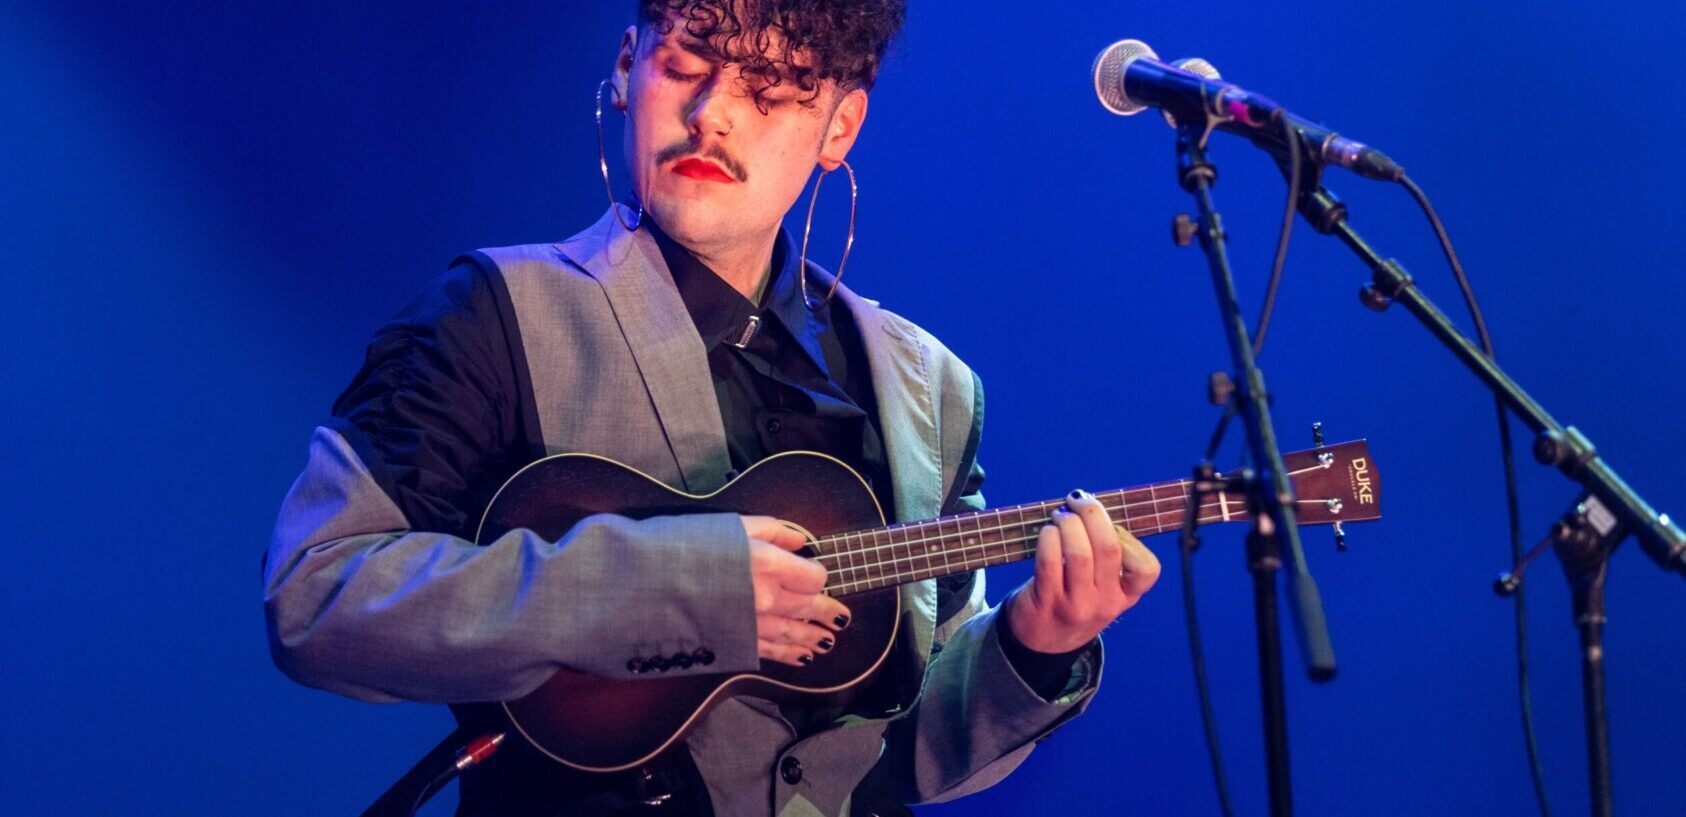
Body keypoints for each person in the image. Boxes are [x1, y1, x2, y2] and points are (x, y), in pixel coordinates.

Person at [262, 2, 1162, 815]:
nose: (713, 115)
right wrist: (681, 586)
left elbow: (907, 746)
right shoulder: (493, 315)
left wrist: (1038, 646)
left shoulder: (932, 388)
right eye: (687, 66)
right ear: (627, 66)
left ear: (839, 125)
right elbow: (318, 599)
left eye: (769, 91)